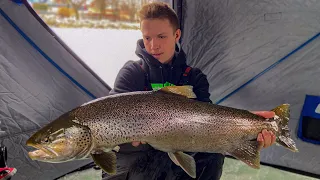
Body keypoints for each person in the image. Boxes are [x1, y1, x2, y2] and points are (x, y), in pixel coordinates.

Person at [109, 2, 276, 179]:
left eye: (161, 37)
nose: (153, 45)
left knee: (213, 155)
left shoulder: (195, 77)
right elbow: (110, 116)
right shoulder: (131, 74)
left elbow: (210, 122)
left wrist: (247, 126)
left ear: (177, 35)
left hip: (183, 148)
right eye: (147, 38)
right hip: (137, 157)